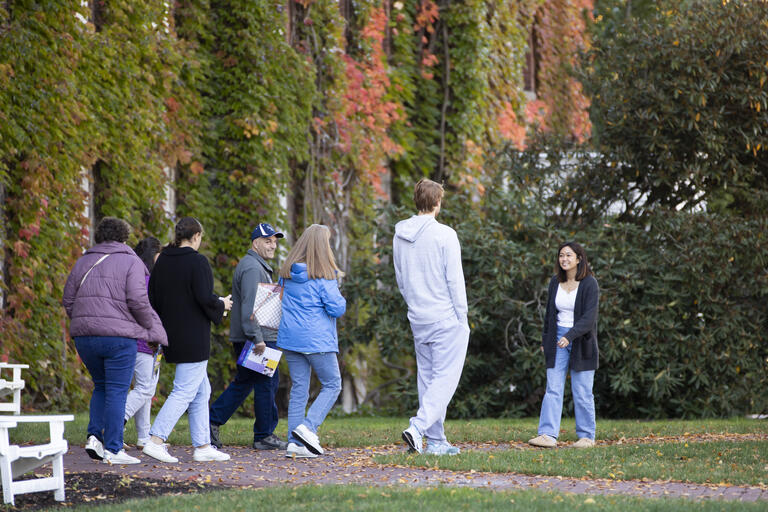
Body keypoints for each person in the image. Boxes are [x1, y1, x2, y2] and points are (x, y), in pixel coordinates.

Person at [62, 217, 167, 465]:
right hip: (119, 338)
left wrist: (86, 321)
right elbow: (138, 301)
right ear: (124, 237)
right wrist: (149, 327)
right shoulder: (131, 261)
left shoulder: (83, 260)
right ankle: (113, 448)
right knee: (118, 390)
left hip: (85, 338)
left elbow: (68, 299)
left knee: (102, 386)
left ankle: (94, 437)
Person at [142, 217, 233, 463]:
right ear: (195, 236)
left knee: (202, 389)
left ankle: (203, 445)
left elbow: (153, 298)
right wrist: (221, 304)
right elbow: (204, 297)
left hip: (171, 333)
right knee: (184, 390)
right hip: (194, 335)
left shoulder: (162, 262)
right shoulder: (198, 262)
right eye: (200, 237)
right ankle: (156, 439)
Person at [393, 179, 470, 455]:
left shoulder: (400, 234)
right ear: (438, 203)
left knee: (428, 379)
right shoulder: (445, 235)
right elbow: (455, 282)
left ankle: (436, 441)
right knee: (445, 378)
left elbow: (401, 279)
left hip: (418, 316)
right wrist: (463, 318)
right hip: (445, 316)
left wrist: (413, 304)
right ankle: (418, 427)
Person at [209, 223, 288, 451]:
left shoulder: (256, 265)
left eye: (274, 241)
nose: (272, 245)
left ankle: (212, 421)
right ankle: (263, 435)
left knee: (246, 383)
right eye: (267, 241)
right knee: (266, 384)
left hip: (256, 336)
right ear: (255, 243)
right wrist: (258, 339)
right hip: (257, 338)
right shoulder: (253, 268)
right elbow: (250, 308)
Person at [277, 224, 345, 458]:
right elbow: (337, 308)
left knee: (299, 389)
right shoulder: (324, 277)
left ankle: (294, 443)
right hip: (317, 340)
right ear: (323, 246)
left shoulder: (286, 274)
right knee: (333, 384)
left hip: (290, 338)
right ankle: (308, 428)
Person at [528, 242, 599, 449]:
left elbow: (589, 319)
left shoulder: (589, 284)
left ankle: (586, 436)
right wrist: (546, 340)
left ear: (579, 259)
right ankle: (547, 435)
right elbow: (550, 315)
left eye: (569, 255)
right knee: (553, 388)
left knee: (583, 390)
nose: (564, 259)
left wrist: (569, 336)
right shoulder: (554, 282)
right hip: (557, 340)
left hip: (581, 340)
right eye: (561, 255)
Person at [123, 236, 162, 449]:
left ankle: (143, 436)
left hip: (134, 340)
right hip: (146, 342)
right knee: (146, 389)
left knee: (145, 389)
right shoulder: (150, 281)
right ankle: (116, 423)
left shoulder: (133, 276)